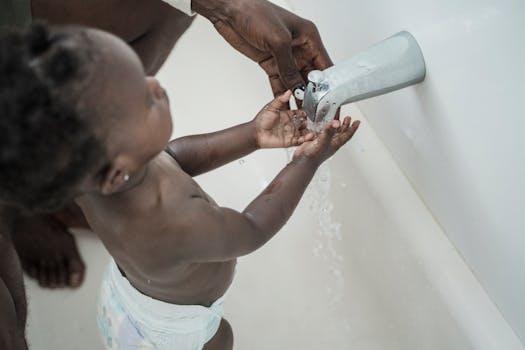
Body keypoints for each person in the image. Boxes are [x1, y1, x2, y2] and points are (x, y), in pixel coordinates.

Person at [0, 23, 359, 349]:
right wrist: (306, 161)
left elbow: (173, 158)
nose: (155, 85)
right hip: (169, 335)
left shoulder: (94, 175)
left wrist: (252, 134)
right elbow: (252, 227)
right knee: (222, 339)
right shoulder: (173, 220)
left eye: (143, 77)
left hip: (126, 297)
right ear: (116, 172)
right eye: (144, 100)